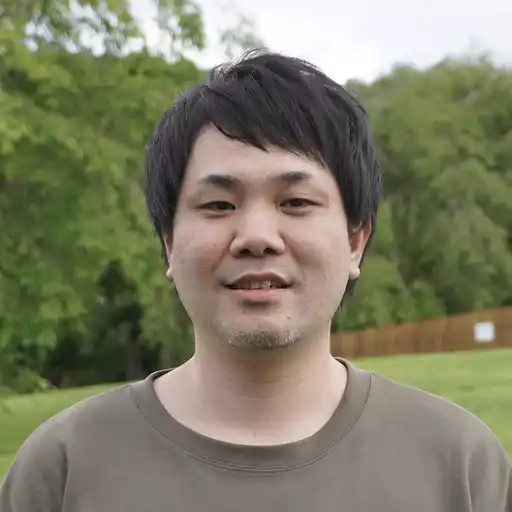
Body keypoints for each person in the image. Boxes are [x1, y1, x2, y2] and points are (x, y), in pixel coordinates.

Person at [1, 50, 510, 512]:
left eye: (296, 202)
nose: (257, 237)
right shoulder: (63, 470)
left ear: (356, 240)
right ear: (169, 244)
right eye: (218, 205)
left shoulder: (461, 467)